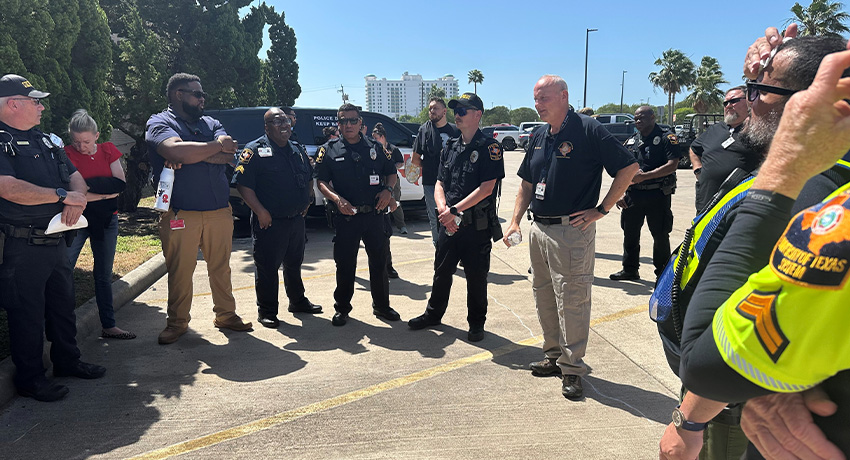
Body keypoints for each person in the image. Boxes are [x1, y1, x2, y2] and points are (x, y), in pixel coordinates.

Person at [659, 33, 850, 460]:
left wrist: (687, 421)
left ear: (810, 101)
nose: (747, 101)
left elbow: (712, 363)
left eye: (758, 90)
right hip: (758, 377)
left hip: (732, 396)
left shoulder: (815, 191)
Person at [503, 75, 637, 399]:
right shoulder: (537, 135)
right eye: (536, 99)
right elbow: (526, 183)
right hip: (539, 229)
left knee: (573, 301)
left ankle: (573, 368)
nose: (538, 105)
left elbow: (628, 167)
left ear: (563, 96)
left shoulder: (588, 129)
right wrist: (515, 220)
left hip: (571, 231)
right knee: (544, 295)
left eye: (544, 98)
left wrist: (602, 209)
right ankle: (553, 356)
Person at [0, 74, 106, 402]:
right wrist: (64, 197)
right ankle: (31, 378)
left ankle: (67, 360)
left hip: (56, 239)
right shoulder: (2, 141)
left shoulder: (46, 141)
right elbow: (8, 187)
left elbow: (76, 179)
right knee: (27, 313)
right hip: (23, 245)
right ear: (12, 104)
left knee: (62, 305)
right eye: (35, 100)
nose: (41, 106)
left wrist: (76, 199)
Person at [145, 72, 252, 345]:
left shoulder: (211, 122)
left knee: (221, 267)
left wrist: (193, 153)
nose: (203, 98)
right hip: (181, 212)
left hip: (218, 210)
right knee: (181, 269)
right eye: (197, 94)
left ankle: (226, 315)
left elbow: (231, 153)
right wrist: (211, 149)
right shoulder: (160, 122)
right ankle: (177, 323)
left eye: (203, 94)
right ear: (178, 94)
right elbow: (176, 152)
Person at [407, 92, 505, 342]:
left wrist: (454, 211)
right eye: (456, 111)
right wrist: (443, 209)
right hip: (449, 224)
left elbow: (487, 188)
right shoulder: (450, 146)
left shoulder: (490, 148)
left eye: (463, 111)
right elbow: (439, 181)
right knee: (441, 272)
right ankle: (433, 315)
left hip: (475, 226)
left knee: (476, 277)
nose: (457, 115)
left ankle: (476, 324)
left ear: (477, 115)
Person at [232, 107, 322, 329]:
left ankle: (298, 301)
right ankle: (268, 311)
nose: (284, 125)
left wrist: (308, 199)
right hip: (269, 221)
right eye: (277, 121)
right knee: (267, 267)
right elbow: (243, 185)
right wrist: (260, 211)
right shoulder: (254, 151)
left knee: (294, 264)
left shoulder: (297, 149)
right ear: (266, 127)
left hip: (295, 219)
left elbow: (309, 176)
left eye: (286, 121)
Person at [315, 103, 400, 326]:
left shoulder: (376, 147)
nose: (349, 124)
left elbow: (391, 173)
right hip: (346, 217)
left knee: (379, 263)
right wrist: (337, 199)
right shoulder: (329, 149)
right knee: (345, 264)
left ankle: (381, 306)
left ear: (361, 123)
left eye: (353, 120)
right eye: (344, 121)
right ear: (338, 124)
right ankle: (342, 308)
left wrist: (388, 191)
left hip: (374, 215)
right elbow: (321, 181)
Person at [64, 109, 134, 340]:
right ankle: (62, 326)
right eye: (76, 141)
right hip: (76, 219)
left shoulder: (108, 150)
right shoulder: (65, 154)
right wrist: (102, 190)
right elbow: (69, 192)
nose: (81, 147)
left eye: (85, 141)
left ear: (96, 135)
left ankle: (109, 324)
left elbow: (119, 186)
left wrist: (87, 190)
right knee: (64, 270)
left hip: (106, 219)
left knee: (103, 275)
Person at [610, 106, 681, 281]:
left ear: (652, 117)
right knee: (630, 233)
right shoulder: (633, 140)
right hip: (633, 195)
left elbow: (673, 164)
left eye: (642, 118)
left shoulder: (666, 137)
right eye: (636, 119)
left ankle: (662, 274)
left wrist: (646, 176)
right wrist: (621, 193)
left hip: (657, 195)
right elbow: (624, 169)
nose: (638, 121)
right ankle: (630, 269)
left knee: (660, 235)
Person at [689, 86, 758, 213]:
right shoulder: (715, 129)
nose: (728, 105)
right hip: (706, 203)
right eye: (725, 103)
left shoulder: (757, 131)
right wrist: (697, 169)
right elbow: (694, 148)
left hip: (737, 207)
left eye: (734, 101)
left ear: (749, 101)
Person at [412, 97, 459, 246]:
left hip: (454, 183)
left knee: (457, 215)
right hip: (431, 182)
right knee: (435, 218)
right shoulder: (424, 130)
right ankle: (439, 248)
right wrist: (431, 168)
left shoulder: (456, 131)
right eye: (430, 108)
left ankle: (457, 249)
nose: (432, 111)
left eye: (435, 108)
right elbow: (415, 159)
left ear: (444, 111)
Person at [372, 123, 404, 279]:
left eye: (376, 137)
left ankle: (388, 266)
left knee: (385, 234)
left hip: (387, 192)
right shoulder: (369, 150)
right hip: (372, 195)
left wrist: (390, 195)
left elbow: (392, 171)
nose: (374, 140)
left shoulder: (389, 150)